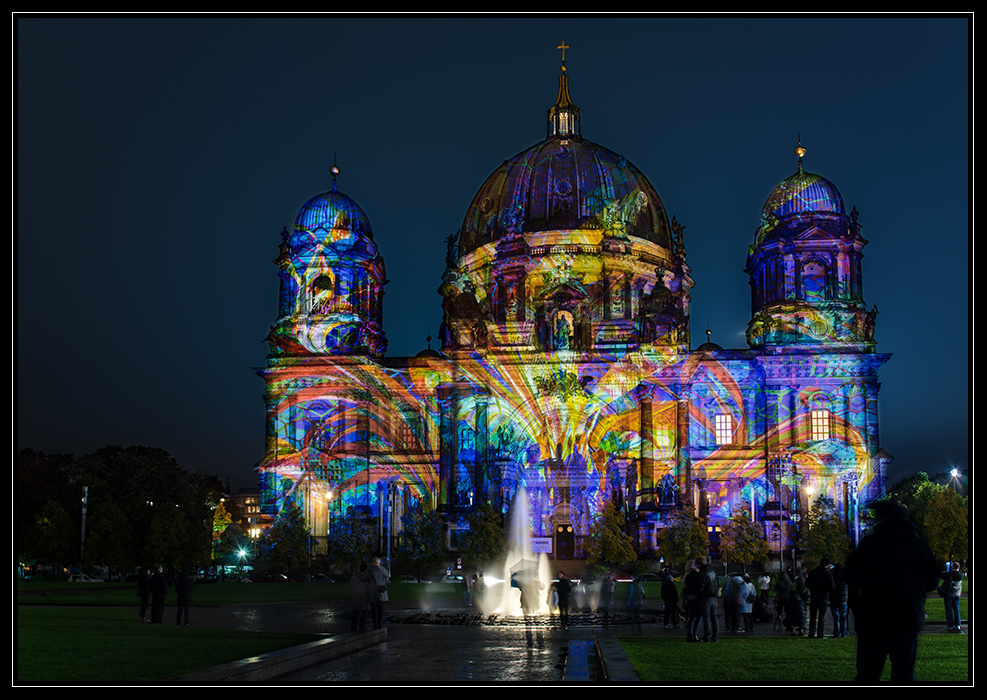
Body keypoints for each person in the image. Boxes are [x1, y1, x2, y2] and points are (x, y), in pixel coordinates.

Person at [843, 499, 939, 682]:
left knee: (868, 674)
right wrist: (914, 591)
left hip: (874, 617)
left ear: (883, 519)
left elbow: (850, 575)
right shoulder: (920, 546)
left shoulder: (870, 544)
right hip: (908, 616)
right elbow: (933, 580)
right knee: (904, 675)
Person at [806, 557, 835, 639]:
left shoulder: (813, 572)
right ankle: (820, 634)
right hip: (823, 597)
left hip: (814, 596)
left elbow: (807, 584)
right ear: (827, 565)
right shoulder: (828, 574)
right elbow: (832, 587)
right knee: (821, 617)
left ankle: (811, 633)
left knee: (813, 616)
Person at [696, 557, 719, 642]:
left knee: (707, 618)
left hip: (706, 597)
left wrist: (699, 595)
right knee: (714, 618)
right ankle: (715, 636)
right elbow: (716, 584)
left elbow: (701, 586)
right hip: (713, 597)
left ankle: (707, 636)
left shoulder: (703, 573)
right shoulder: (712, 572)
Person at [937, 561, 963, 632]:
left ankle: (950, 625)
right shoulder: (960, 574)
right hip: (957, 594)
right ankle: (958, 625)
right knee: (956, 609)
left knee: (948, 609)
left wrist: (943, 567)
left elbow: (942, 575)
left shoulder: (950, 574)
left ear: (953, 567)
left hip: (949, 594)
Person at [683, 559, 703, 642]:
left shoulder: (688, 575)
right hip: (695, 597)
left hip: (691, 597)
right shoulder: (694, 575)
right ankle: (692, 634)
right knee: (697, 616)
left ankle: (691, 634)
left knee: (693, 616)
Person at [367, 557, 390, 630]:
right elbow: (387, 579)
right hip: (381, 591)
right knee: (380, 607)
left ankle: (374, 622)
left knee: (373, 607)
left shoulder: (370, 570)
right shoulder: (383, 570)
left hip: (372, 591)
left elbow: (366, 579)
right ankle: (379, 622)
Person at [349, 562, 371, 632]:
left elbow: (351, 586)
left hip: (356, 596)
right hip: (363, 597)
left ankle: (354, 628)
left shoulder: (354, 577)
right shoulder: (367, 578)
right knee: (363, 614)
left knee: (355, 613)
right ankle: (362, 627)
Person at [830, 562, 849, 638]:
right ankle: (843, 632)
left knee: (836, 617)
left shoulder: (832, 576)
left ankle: (836, 632)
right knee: (843, 617)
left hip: (834, 598)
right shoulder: (845, 577)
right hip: (843, 599)